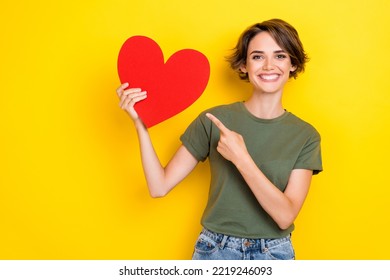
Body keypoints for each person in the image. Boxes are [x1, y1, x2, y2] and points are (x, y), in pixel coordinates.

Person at [116, 18, 322, 260]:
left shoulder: (305, 135)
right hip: (215, 250)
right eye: (257, 56)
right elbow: (158, 187)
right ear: (244, 65)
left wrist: (241, 158)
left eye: (279, 56)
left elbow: (285, 215)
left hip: (274, 253)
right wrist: (140, 124)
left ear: (293, 65)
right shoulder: (213, 121)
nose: (268, 65)